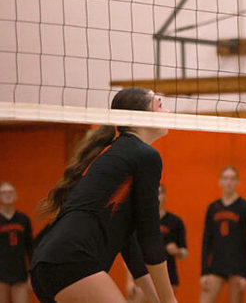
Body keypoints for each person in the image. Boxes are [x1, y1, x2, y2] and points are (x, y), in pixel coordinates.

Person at [29, 87, 176, 303]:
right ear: (139, 116)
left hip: (47, 264)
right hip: (72, 261)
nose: (169, 112)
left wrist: (155, 298)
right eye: (160, 106)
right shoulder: (145, 155)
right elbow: (150, 237)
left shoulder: (116, 153)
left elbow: (130, 242)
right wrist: (169, 300)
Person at [200, 166, 246, 303]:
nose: (228, 182)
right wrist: (204, 271)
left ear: (238, 182)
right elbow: (206, 240)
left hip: (237, 267)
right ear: (220, 182)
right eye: (225, 178)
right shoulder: (213, 207)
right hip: (217, 265)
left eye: (232, 178)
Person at [0, 182, 32, 303]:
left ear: (15, 195)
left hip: (20, 275)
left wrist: (31, 275)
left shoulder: (23, 219)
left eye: (10, 192)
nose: (7, 195)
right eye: (3, 192)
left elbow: (30, 248)